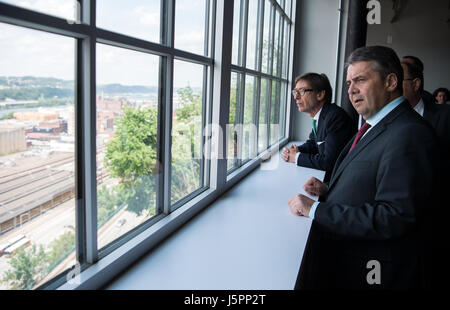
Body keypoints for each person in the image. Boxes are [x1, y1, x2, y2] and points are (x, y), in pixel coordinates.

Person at [289, 46, 439, 289]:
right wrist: (330, 190)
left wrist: (315, 210)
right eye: (349, 82)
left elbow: (394, 216)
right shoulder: (376, 125)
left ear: (391, 81)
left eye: (360, 80)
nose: (351, 90)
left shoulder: (410, 133)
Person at [281, 73, 354, 182]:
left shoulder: (335, 117)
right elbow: (314, 144)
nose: (296, 97)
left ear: (320, 94)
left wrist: (296, 157)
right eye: (295, 92)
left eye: (302, 91)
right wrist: (297, 150)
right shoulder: (321, 116)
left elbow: (328, 162)